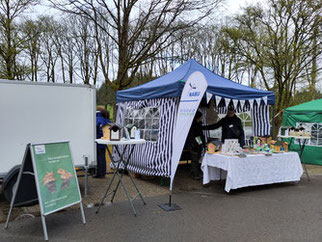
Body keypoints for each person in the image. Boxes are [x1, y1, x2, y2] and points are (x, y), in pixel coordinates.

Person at [184, 111, 206, 180]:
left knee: (195, 160)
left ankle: (194, 173)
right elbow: (194, 136)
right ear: (198, 117)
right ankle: (195, 174)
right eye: (201, 117)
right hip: (194, 145)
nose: (202, 118)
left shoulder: (197, 124)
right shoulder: (194, 125)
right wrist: (199, 143)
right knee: (195, 160)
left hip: (196, 145)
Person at [95, 108, 111, 178]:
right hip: (105, 141)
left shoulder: (97, 119)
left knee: (99, 158)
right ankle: (103, 173)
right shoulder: (107, 120)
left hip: (98, 140)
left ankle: (99, 173)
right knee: (103, 157)